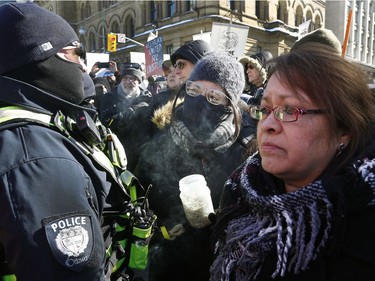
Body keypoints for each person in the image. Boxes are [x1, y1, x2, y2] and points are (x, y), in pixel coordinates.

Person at [210, 43, 375, 280]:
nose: (267, 125)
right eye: (265, 110)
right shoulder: (241, 188)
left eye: (290, 110)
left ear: (343, 129)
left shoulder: (364, 231)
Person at [0, 2, 130, 280]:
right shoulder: (37, 157)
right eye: (74, 53)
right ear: (42, 58)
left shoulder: (29, 128)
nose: (82, 65)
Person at [136, 51, 252, 281]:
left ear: (230, 104)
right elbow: (143, 196)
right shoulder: (162, 136)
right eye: (195, 90)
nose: (200, 101)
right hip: (168, 262)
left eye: (214, 97)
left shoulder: (245, 152)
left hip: (220, 267)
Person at [99, 62, 153, 172]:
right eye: (125, 78)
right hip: (116, 152)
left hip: (142, 153)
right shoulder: (109, 98)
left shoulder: (148, 99)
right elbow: (106, 122)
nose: (128, 82)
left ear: (139, 81)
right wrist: (131, 111)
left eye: (133, 78)